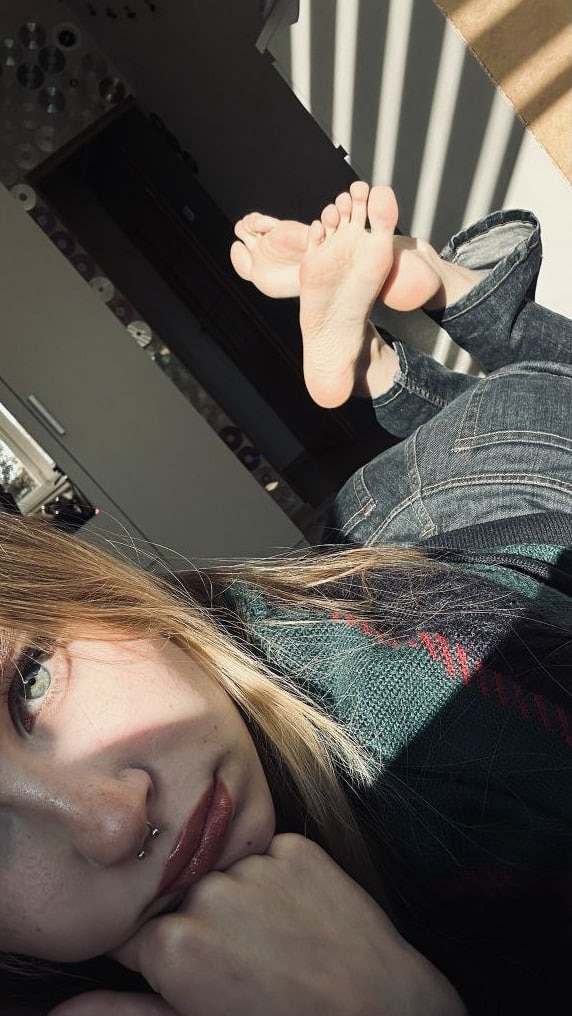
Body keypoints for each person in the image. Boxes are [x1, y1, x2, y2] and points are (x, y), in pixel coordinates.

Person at [1, 183, 570, 1016]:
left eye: (30, 680)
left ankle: (415, 324)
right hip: (387, 526)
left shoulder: (458, 722)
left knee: (538, 401)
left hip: (470, 496)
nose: (114, 822)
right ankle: (401, 340)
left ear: (99, 593)